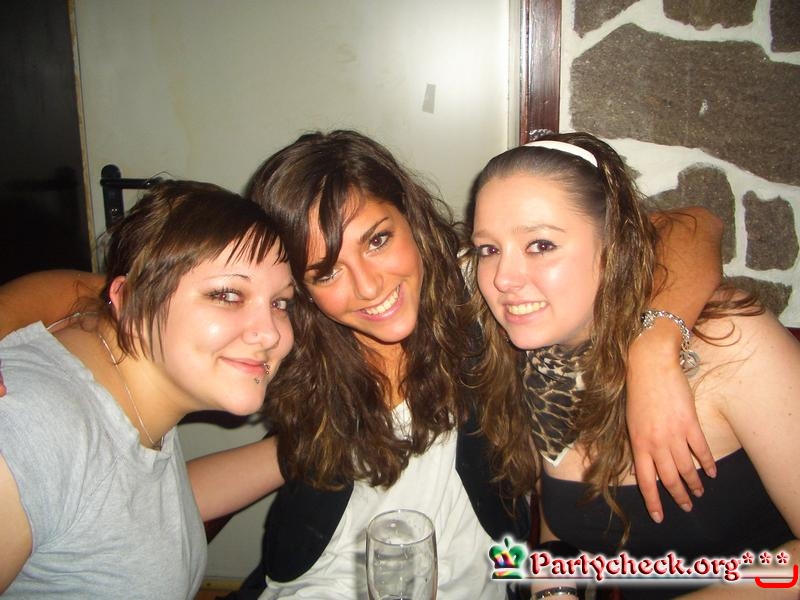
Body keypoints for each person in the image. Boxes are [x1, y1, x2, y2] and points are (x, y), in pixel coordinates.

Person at [0, 130, 721, 599]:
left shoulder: (487, 296)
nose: (369, 287)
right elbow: (85, 293)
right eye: (325, 270)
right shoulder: (277, 338)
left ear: (413, 220)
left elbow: (689, 226)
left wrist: (655, 345)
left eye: (378, 240)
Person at [467, 131, 800, 599]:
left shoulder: (728, 340)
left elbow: (695, 222)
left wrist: (653, 352)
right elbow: (566, 532)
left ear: (614, 246)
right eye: (489, 249)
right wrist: (554, 591)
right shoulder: (536, 366)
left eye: (541, 245)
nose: (503, 278)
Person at [0, 181, 294, 598]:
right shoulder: (32, 431)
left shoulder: (136, 380)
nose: (270, 334)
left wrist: (309, 450)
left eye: (280, 303)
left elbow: (138, 503)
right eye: (228, 294)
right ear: (130, 301)